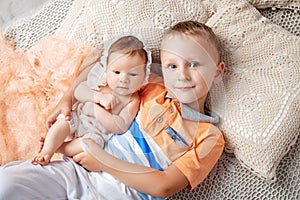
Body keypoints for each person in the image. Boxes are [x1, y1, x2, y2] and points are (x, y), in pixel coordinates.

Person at [0, 20, 225, 200]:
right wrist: (66, 100)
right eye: (172, 66)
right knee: (8, 183)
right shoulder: (152, 87)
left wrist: (103, 160)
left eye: (195, 64)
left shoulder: (209, 137)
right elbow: (103, 64)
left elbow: (163, 186)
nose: (182, 75)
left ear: (217, 72)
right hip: (79, 171)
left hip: (124, 192)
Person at [32, 35, 152, 165]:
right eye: (116, 72)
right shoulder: (102, 83)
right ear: (107, 70)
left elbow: (121, 126)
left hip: (96, 134)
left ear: (144, 76)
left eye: (133, 74)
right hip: (78, 118)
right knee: (63, 120)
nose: (123, 79)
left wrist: (98, 111)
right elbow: (79, 90)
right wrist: (98, 97)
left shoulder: (133, 100)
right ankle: (47, 150)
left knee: (91, 145)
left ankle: (60, 148)